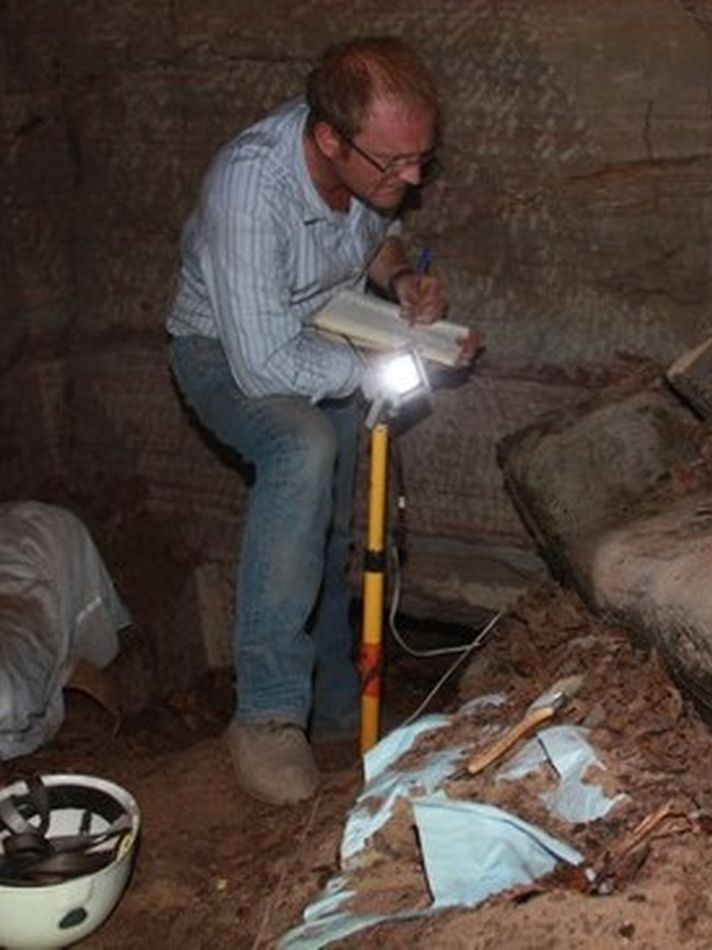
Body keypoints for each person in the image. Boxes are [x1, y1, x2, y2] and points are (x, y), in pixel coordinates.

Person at [166, 37, 462, 805]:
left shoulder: (365, 163)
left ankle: (334, 707)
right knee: (300, 449)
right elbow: (264, 366)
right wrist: (373, 367)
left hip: (321, 332)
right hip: (223, 349)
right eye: (394, 163)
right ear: (330, 139)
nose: (412, 179)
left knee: (331, 523)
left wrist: (401, 283)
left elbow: (375, 237)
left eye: (422, 160)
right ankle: (265, 716)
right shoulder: (249, 187)